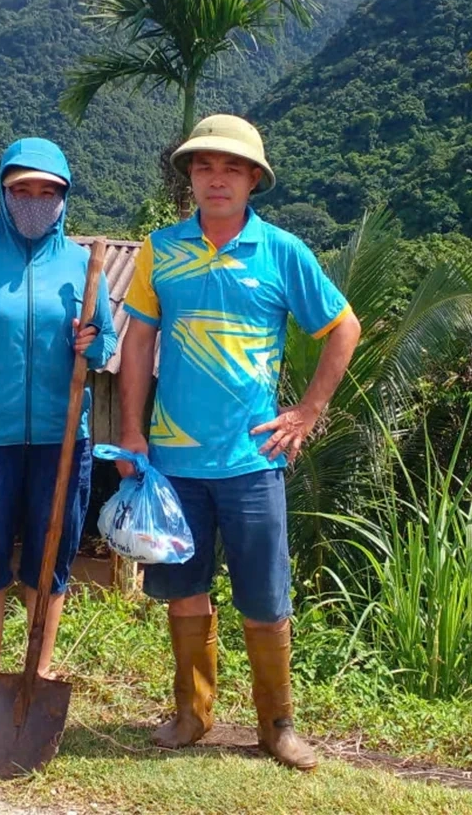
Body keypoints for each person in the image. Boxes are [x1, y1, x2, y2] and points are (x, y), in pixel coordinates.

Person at [115, 114, 361, 771]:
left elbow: (344, 328)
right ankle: (192, 714)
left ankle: (277, 726)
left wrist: (307, 413)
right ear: (190, 176)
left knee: (266, 599)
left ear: (254, 180)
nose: (216, 178)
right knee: (183, 590)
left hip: (254, 461)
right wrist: (132, 432)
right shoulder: (159, 249)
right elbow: (137, 343)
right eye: (204, 166)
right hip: (173, 461)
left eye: (231, 168)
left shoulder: (282, 252)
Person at [0, 137, 117, 724]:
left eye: (47, 192)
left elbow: (107, 343)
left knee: (48, 561)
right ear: (3, 193)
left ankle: (38, 674)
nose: (35, 201)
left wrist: (93, 343)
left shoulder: (82, 266)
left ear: (64, 197)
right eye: (22, 190)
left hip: (63, 441)